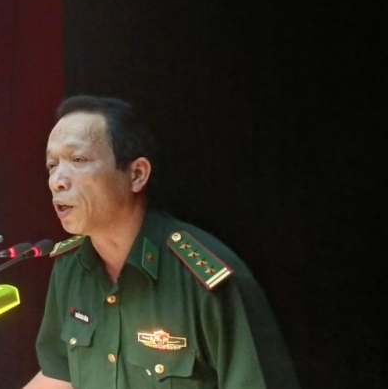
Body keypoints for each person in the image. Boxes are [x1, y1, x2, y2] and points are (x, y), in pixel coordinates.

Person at [24, 95, 298, 389]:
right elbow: (59, 376)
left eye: (78, 160)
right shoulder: (69, 267)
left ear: (137, 174)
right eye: (52, 165)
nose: (57, 181)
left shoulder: (205, 279)